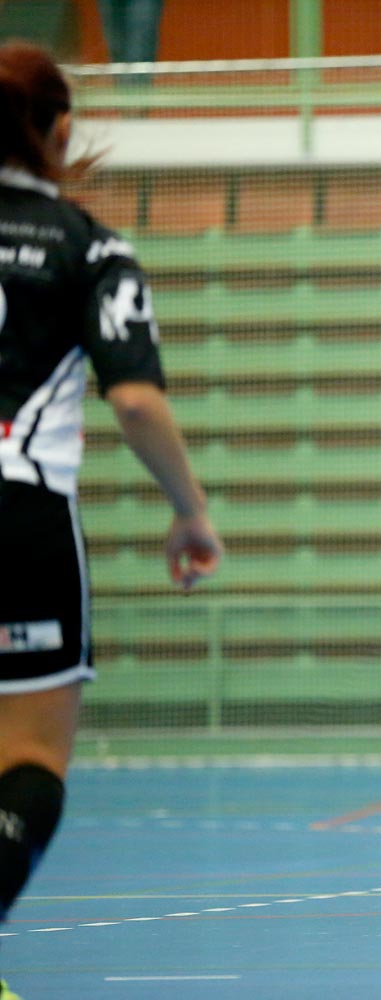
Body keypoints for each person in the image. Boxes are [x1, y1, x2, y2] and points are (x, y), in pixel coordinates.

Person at [0, 41, 222, 1000]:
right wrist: (191, 512)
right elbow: (134, 402)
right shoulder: (87, 246)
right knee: (30, 760)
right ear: (57, 131)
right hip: (23, 515)